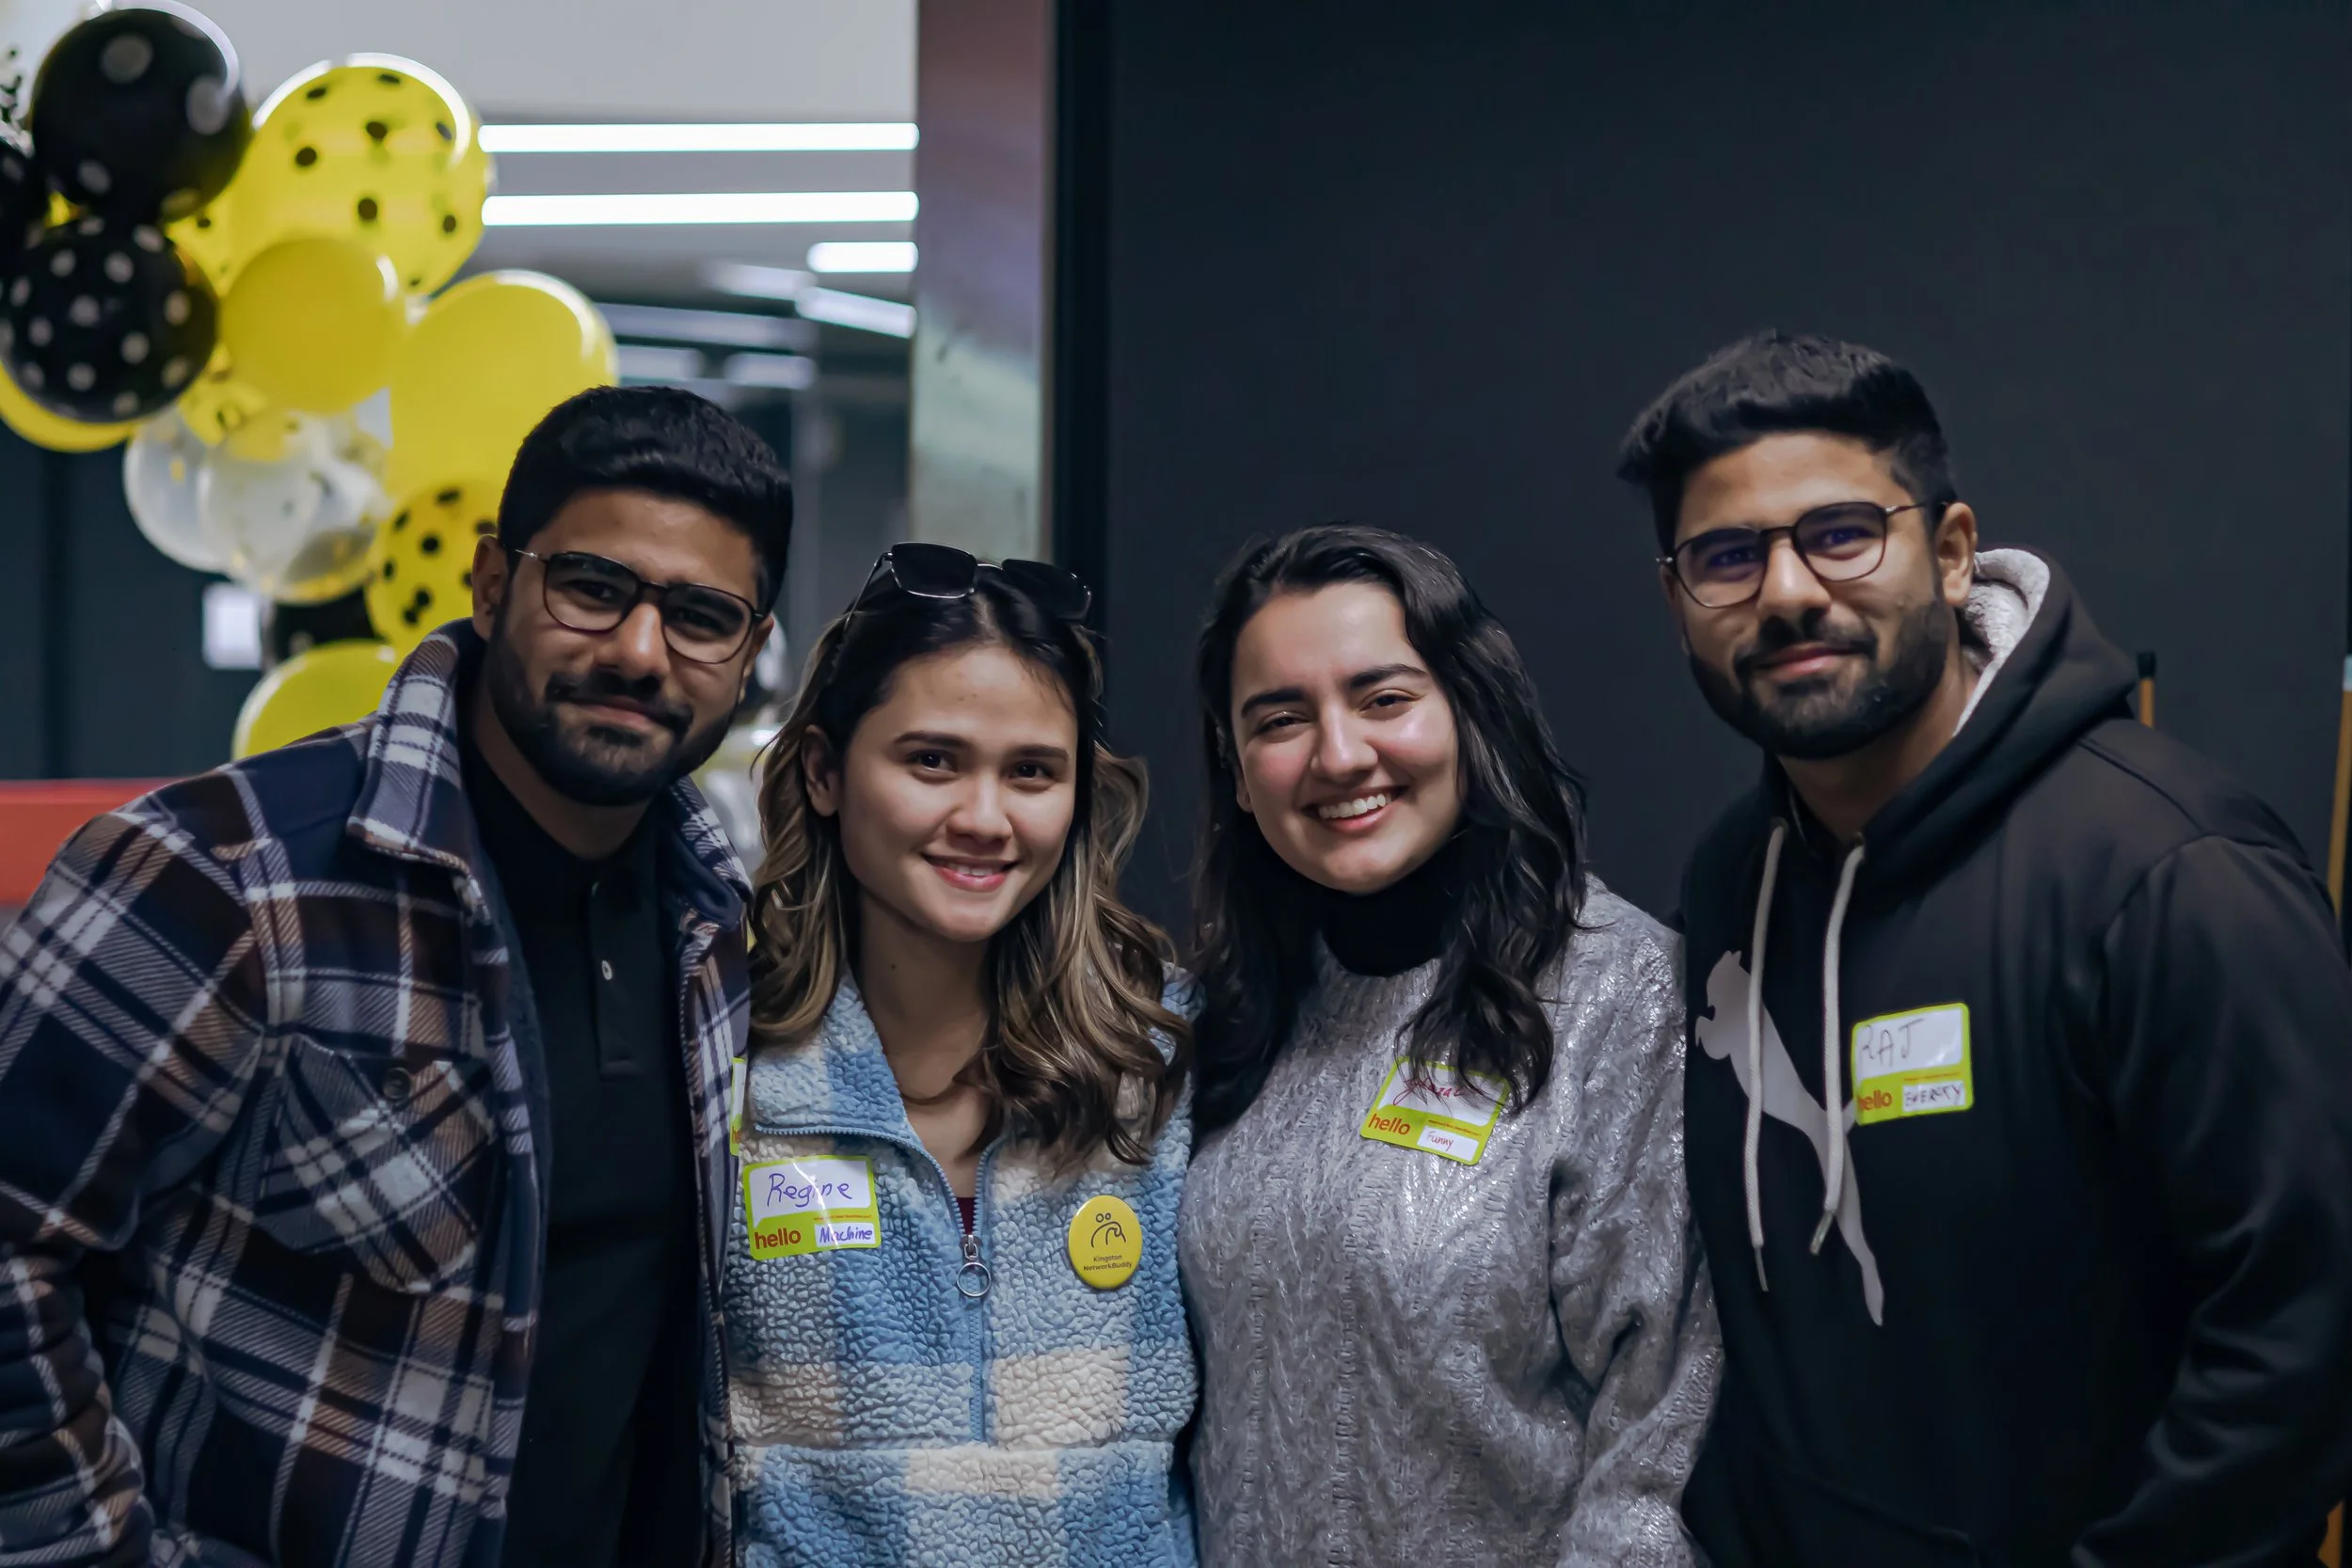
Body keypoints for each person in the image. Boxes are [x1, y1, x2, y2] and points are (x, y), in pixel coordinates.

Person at [0, 385, 790, 1567]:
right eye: (591, 587)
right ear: (488, 584)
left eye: (700, 614)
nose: (638, 650)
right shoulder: (220, 876)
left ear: (748, 652)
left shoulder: (722, 931)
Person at [1621, 330, 2352, 1568]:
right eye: (1728, 556)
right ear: (1680, 598)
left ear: (1952, 551)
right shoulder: (1732, 874)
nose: (1790, 591)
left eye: (1842, 531)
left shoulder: (2168, 870)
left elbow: (2306, 1326)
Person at [1179, 524, 1720, 1567]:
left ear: (1472, 712)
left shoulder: (1619, 996)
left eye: (1383, 698)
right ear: (1238, 771)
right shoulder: (1224, 1014)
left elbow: (1660, 1439)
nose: (1339, 754)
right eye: (1281, 718)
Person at [729, 544, 1196, 1567]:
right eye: (932, 760)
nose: (984, 819)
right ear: (822, 770)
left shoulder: (1162, 1063)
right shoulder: (724, 1071)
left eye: (1032, 771)